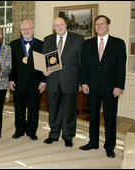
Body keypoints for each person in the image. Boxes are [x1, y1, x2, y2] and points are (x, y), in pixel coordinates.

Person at [79, 15, 126, 158]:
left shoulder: (118, 43)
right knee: (93, 116)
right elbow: (84, 65)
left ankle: (110, 146)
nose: (99, 26)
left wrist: (119, 86)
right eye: (97, 24)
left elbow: (121, 67)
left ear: (108, 25)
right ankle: (93, 142)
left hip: (111, 88)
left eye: (102, 24)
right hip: (92, 87)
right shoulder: (88, 44)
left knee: (110, 117)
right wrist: (84, 82)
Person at [42, 17, 84, 147]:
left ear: (66, 25)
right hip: (53, 80)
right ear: (53, 27)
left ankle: (68, 136)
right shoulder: (47, 39)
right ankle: (53, 134)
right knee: (53, 109)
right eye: (56, 25)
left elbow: (82, 62)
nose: (59, 27)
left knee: (69, 110)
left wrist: (82, 82)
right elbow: (44, 60)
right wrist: (45, 71)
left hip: (70, 80)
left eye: (61, 24)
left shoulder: (78, 39)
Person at [9, 20, 45, 140]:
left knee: (34, 109)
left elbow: (45, 66)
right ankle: (19, 130)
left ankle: (31, 132)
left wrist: (43, 81)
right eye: (24, 29)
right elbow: (11, 65)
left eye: (29, 28)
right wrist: (11, 80)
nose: (26, 31)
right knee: (18, 108)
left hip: (35, 83)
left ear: (33, 30)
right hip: (18, 83)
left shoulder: (41, 44)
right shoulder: (13, 44)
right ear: (20, 31)